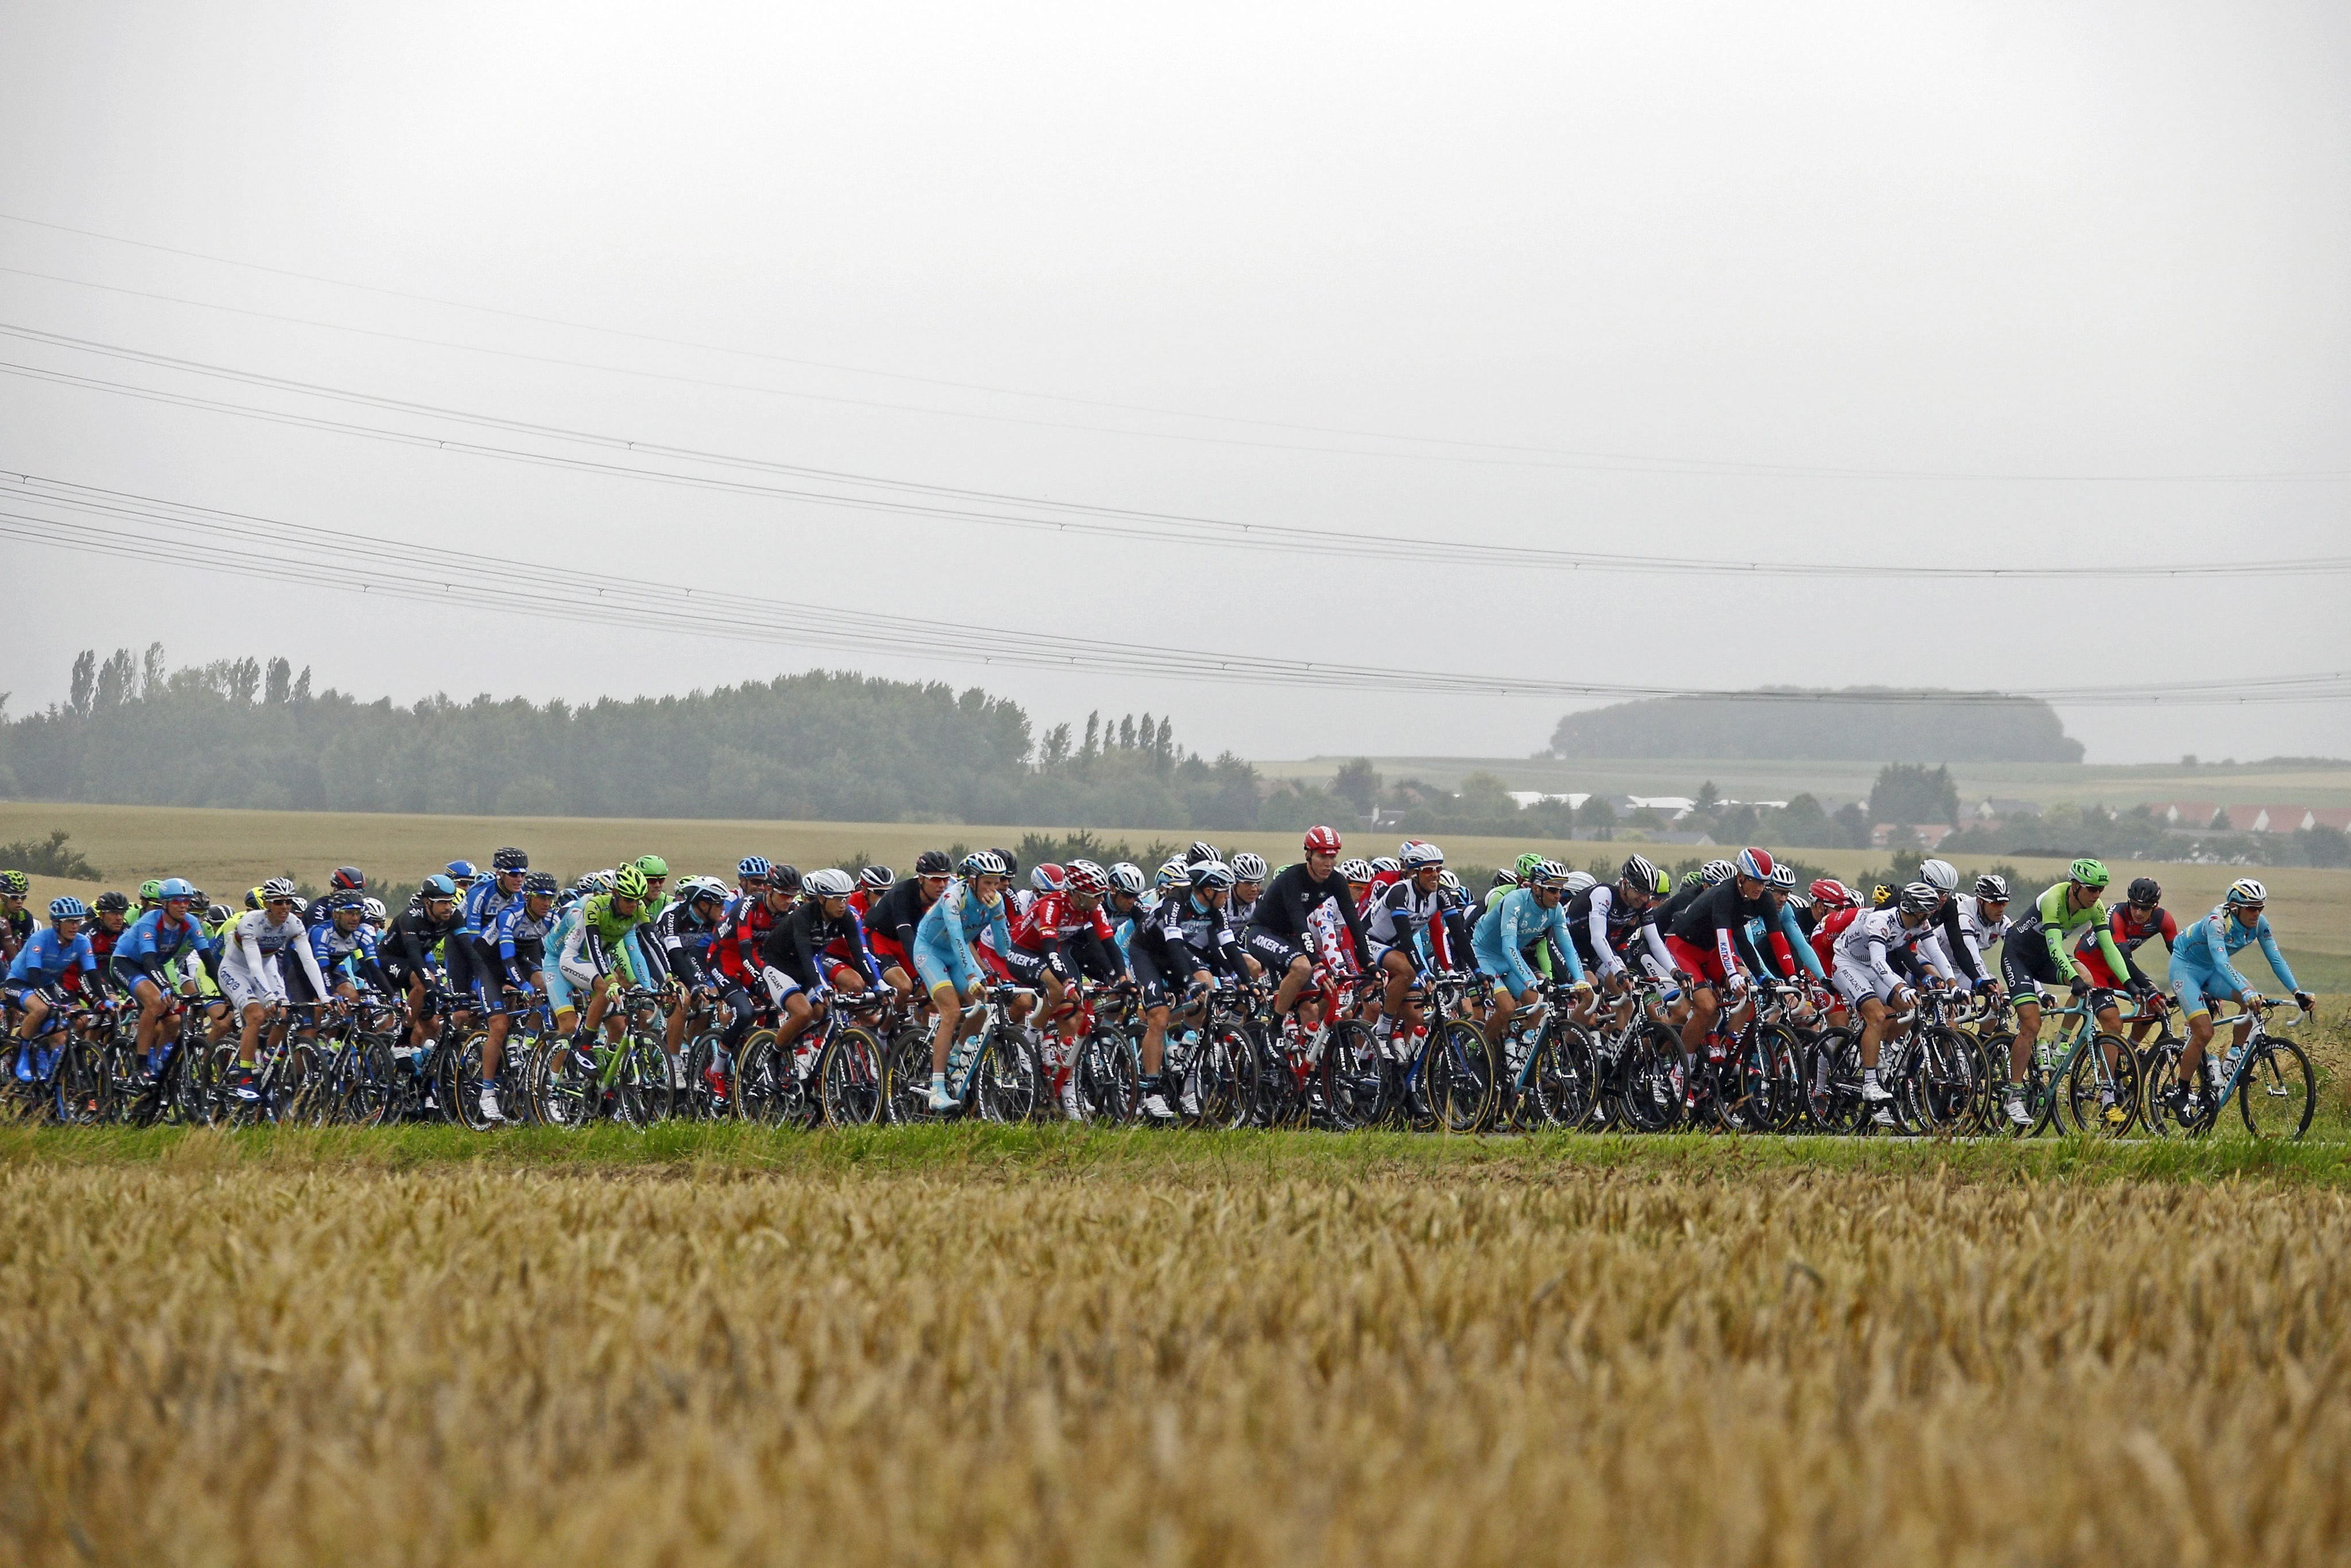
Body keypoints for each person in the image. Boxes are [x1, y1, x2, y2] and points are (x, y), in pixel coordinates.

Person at [2164, 878, 2317, 1121]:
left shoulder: (2259, 924)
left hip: (2214, 970)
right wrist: (2243, 990)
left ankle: (2231, 1062)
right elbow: (2222, 962)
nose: (2257, 914)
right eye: (2252, 908)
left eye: (2261, 908)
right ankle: (2181, 1092)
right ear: (2235, 907)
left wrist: (2297, 992)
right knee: (2204, 1032)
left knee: (2252, 1001)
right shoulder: (2217, 922)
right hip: (2187, 968)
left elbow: (2275, 960)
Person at [2000, 859, 2131, 1128]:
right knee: (2032, 1024)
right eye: (2092, 890)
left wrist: (2129, 983)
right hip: (2019, 958)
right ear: (2075, 886)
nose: (2097, 896)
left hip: (2046, 960)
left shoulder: (2095, 908)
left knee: (2087, 977)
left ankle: (2060, 1043)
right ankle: (2013, 1095)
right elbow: (2055, 945)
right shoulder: (2054, 899)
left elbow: (2109, 948)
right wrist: (2071, 977)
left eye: (2101, 890)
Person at [1829, 883, 1947, 1125]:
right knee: (1877, 1016)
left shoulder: (1918, 924)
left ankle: (1885, 1054)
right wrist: (1901, 987)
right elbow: (1880, 964)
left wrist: (1952, 984)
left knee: (1911, 1010)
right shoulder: (1880, 922)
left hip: (1872, 969)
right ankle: (1870, 1082)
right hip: (1848, 964)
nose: (1929, 919)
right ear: (1914, 911)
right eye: (1926, 914)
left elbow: (1937, 955)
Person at [914, 851, 1022, 1112]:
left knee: (983, 1005)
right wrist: (972, 976)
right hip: (930, 951)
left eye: (997, 883)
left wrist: (998, 914)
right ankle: (937, 1089)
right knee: (950, 1010)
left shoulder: (995, 901)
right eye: (988, 883)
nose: (994, 889)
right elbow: (958, 939)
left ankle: (957, 1055)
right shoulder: (953, 897)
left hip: (955, 954)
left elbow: (1004, 948)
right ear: (972, 880)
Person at [214, 879, 333, 1103]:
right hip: (237, 969)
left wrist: (324, 995)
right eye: (279, 902)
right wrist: (268, 996)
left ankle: (266, 1060)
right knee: (257, 1015)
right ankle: (245, 1076)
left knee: (284, 1014)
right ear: (268, 904)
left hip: (267, 967)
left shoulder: (294, 923)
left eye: (288, 902)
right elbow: (254, 964)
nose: (285, 907)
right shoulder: (250, 922)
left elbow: (309, 962)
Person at [1244, 827, 1372, 1021]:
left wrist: (1368, 962)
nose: (1328, 864)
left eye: (1333, 857)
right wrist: (1317, 965)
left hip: (1291, 939)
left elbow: (1354, 922)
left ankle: (1304, 1049)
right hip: (1263, 933)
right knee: (1304, 967)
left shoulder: (1336, 880)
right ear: (1308, 854)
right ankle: (1275, 1027)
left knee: (1311, 1010)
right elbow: (1299, 922)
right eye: (1322, 857)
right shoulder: (1292, 879)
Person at [759, 868, 873, 1080]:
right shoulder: (803, 915)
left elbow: (860, 956)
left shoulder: (845, 917)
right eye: (837, 899)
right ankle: (773, 1058)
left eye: (846, 898)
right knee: (803, 1012)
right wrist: (820, 987)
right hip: (779, 967)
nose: (843, 904)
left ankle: (807, 1055)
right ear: (821, 898)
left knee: (823, 1013)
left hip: (806, 967)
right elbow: (805, 954)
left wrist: (878, 987)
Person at [1469, 859, 1586, 1052]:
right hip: (1484, 957)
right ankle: (1478, 1053)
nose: (1558, 896)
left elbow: (1567, 947)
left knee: (1537, 1007)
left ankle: (1519, 1052)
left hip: (1508, 961)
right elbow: (1509, 948)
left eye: (1561, 891)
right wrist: (1529, 981)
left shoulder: (1555, 910)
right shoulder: (1515, 901)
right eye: (1552, 890)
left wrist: (1579, 978)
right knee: (1507, 1008)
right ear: (1536, 889)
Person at [111, 879, 219, 1071]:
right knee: (155, 1002)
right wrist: (166, 987)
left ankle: (158, 1067)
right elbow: (149, 960)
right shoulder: (150, 922)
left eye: (187, 901)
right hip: (127, 963)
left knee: (175, 1020)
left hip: (154, 967)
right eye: (177, 901)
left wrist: (224, 991)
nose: (183, 906)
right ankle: (141, 1063)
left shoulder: (191, 923)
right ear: (165, 903)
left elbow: (208, 960)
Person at [2077, 876, 2178, 1047]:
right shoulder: (2117, 916)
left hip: (2118, 968)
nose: (2138, 912)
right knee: (2114, 1023)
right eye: (2135, 906)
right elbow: (2123, 956)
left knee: (2156, 1002)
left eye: (2145, 908)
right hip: (2091, 966)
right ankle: (2107, 1074)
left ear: (2155, 906)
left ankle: (2130, 1050)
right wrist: (2146, 988)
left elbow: (2179, 956)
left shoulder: (2163, 919)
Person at [382, 875, 464, 1056]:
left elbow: (430, 962)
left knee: (433, 1026)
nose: (448, 908)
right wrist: (429, 985)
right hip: (393, 962)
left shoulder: (447, 920)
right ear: (428, 903)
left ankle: (425, 1068)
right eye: (443, 903)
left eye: (450, 903)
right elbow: (415, 958)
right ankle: (401, 1043)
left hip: (418, 965)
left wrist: (441, 989)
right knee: (421, 984)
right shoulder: (410, 919)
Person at [7, 896, 96, 1055]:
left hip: (47, 987)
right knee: (41, 1009)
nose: (75, 926)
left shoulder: (82, 942)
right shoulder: (40, 939)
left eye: (78, 921)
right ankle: (22, 1054)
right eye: (69, 921)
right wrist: (50, 1003)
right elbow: (34, 977)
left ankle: (53, 1077)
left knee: (61, 1038)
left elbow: (93, 974)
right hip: (20, 983)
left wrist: (103, 1000)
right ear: (57, 923)